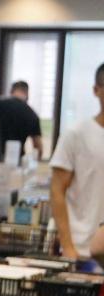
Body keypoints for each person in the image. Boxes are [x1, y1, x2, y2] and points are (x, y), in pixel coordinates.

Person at [54, 62, 104, 262]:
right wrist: (67, 246)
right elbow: (57, 190)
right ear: (96, 90)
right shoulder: (76, 134)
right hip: (82, 249)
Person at [0, 80, 44, 162]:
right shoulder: (32, 114)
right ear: (27, 94)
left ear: (11, 91)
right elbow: (38, 146)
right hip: (16, 160)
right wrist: (35, 163)